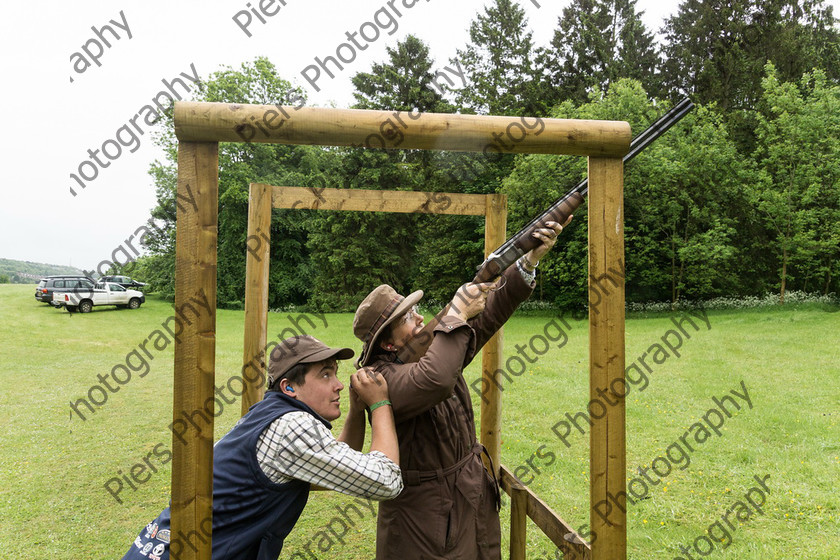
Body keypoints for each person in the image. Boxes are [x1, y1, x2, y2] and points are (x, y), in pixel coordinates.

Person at [353, 219, 570, 559]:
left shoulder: (433, 349)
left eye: (415, 311)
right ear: (389, 344)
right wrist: (455, 314)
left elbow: (485, 318)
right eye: (409, 317)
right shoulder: (379, 380)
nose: (421, 319)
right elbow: (435, 380)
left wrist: (528, 263)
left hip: (467, 492)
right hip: (425, 517)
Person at [121, 335, 401, 560]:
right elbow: (387, 481)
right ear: (289, 387)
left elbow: (335, 467)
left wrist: (355, 408)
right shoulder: (293, 427)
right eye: (326, 375)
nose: (339, 385)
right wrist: (380, 403)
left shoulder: (268, 414)